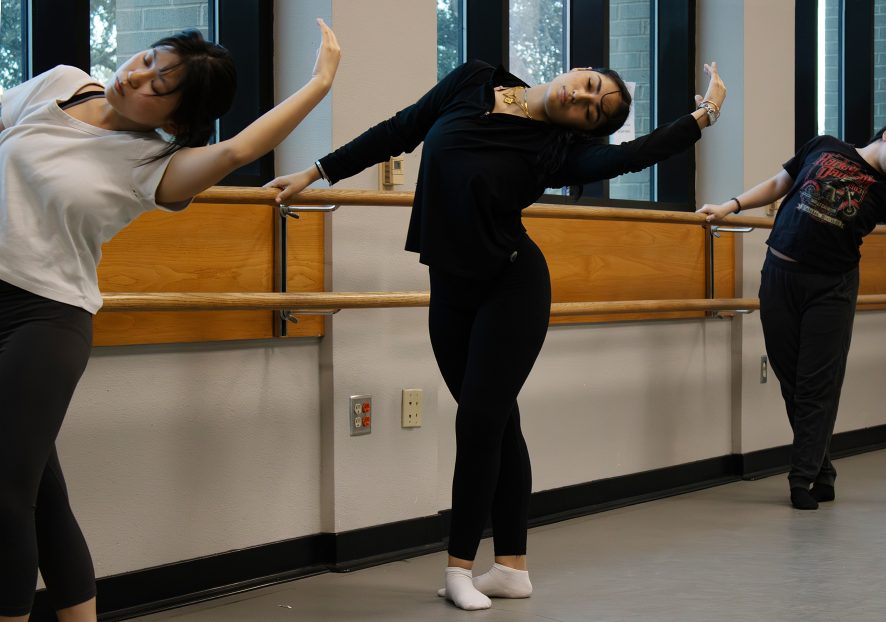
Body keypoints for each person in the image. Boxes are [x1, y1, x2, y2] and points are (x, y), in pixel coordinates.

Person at [266, 59, 726, 610]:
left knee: (478, 421)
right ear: (579, 69)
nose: (582, 99)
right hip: (451, 287)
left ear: (584, 129)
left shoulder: (561, 152)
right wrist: (315, 172)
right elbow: (400, 129)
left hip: (512, 285)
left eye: (592, 111)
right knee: (500, 424)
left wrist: (704, 114)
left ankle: (459, 566)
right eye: (591, 86)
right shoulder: (474, 79)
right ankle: (512, 568)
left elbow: (632, 155)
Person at [0, 20, 341, 622]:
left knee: (5, 493)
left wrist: (318, 84)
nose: (135, 76)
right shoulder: (59, 84)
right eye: (146, 60)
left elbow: (238, 151)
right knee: (37, 491)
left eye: (158, 86)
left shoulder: (156, 164)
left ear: (178, 121)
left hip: (45, 319)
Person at [698, 120, 886, 510]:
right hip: (778, 274)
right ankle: (822, 472)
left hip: (831, 288)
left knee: (816, 384)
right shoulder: (825, 145)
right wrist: (731, 206)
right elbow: (780, 183)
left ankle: (800, 479)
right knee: (790, 378)